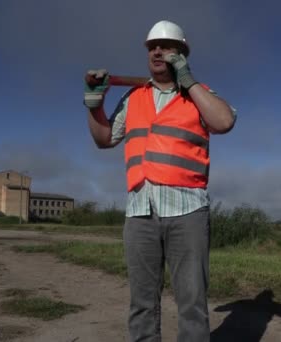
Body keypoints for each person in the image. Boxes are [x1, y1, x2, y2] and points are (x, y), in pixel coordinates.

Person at [84, 19, 236, 342]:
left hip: (188, 211)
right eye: (152, 46)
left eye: (165, 45)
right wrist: (94, 105)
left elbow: (224, 121)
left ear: (180, 52)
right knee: (141, 305)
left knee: (192, 304)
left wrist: (188, 81)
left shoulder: (198, 95)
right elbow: (104, 139)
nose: (156, 50)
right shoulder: (133, 97)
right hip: (140, 211)